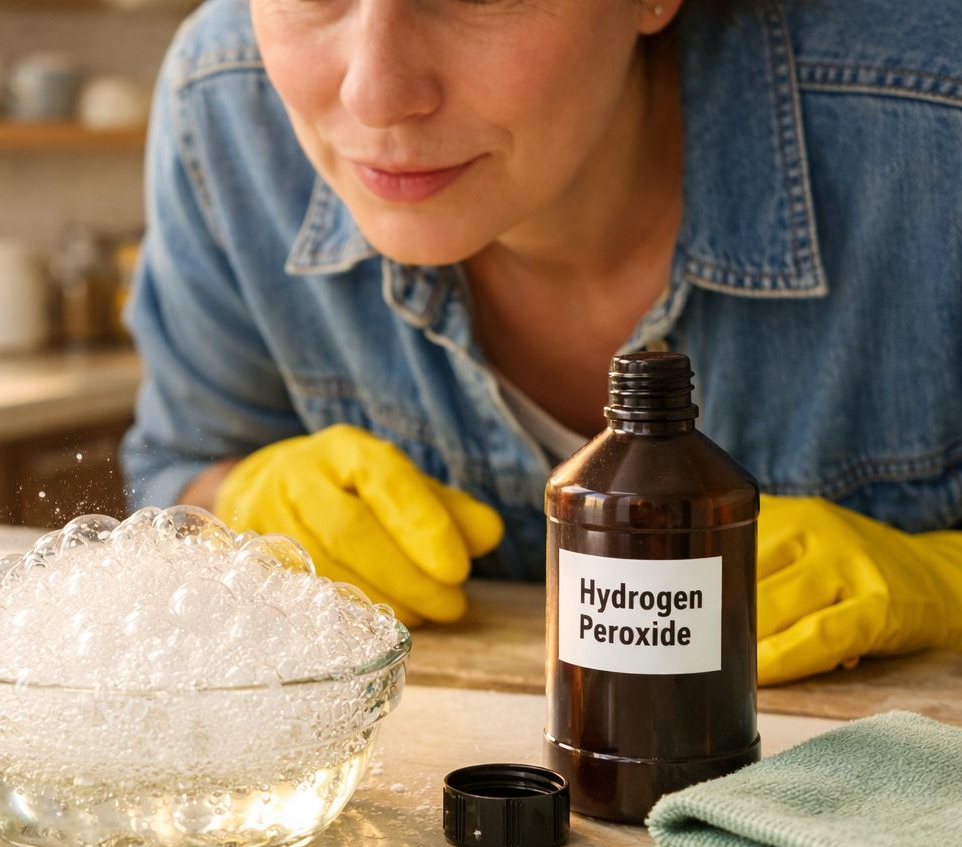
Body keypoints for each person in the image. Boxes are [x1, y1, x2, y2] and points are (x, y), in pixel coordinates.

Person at [119, 0, 962, 685]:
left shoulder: (936, 114)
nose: (376, 94)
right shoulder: (225, 100)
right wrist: (243, 504)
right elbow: (179, 468)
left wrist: (940, 585)